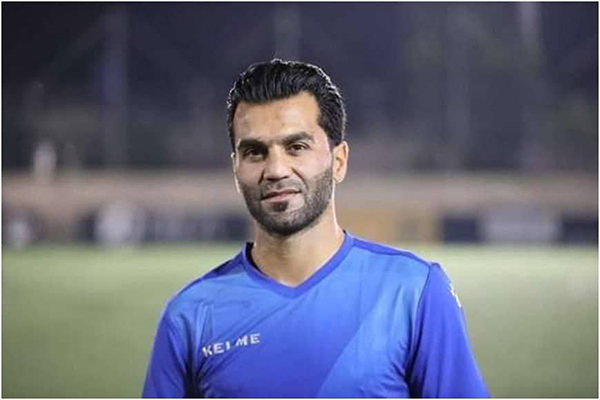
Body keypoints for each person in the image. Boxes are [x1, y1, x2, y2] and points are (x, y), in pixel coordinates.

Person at [142, 59, 489, 398]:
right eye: (255, 152)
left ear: (339, 161)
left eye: (296, 147)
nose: (276, 170)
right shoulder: (190, 316)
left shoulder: (414, 292)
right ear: (236, 168)